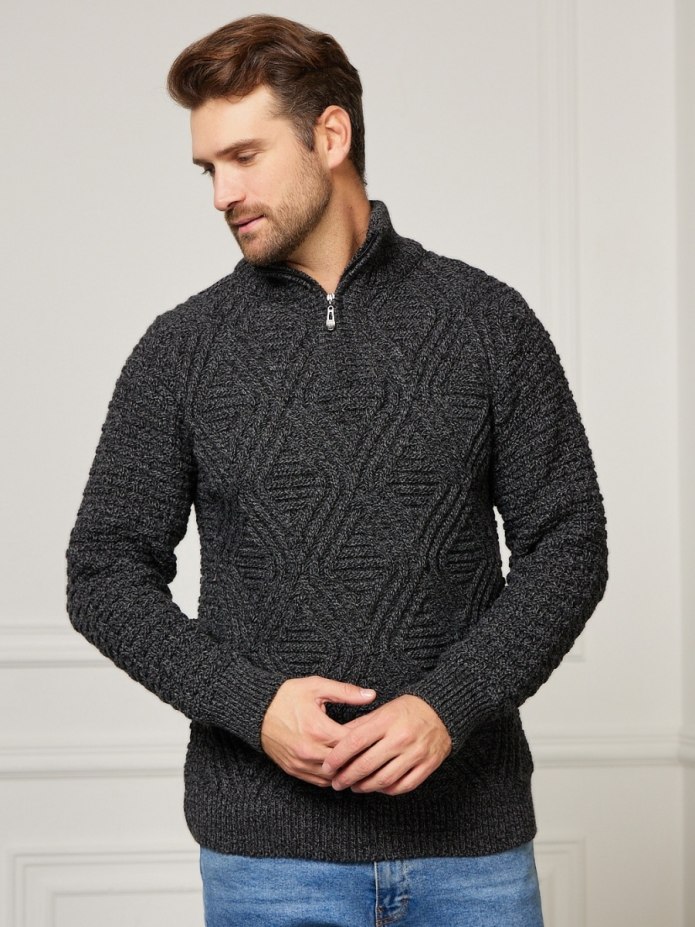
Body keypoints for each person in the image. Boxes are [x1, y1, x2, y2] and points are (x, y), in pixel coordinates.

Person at [65, 13, 609, 926]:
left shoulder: (487, 322)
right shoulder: (180, 350)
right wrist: (252, 705)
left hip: (470, 854)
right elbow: (103, 572)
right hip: (268, 865)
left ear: (330, 135)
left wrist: (447, 705)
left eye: (244, 157)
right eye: (207, 168)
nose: (221, 193)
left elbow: (569, 544)